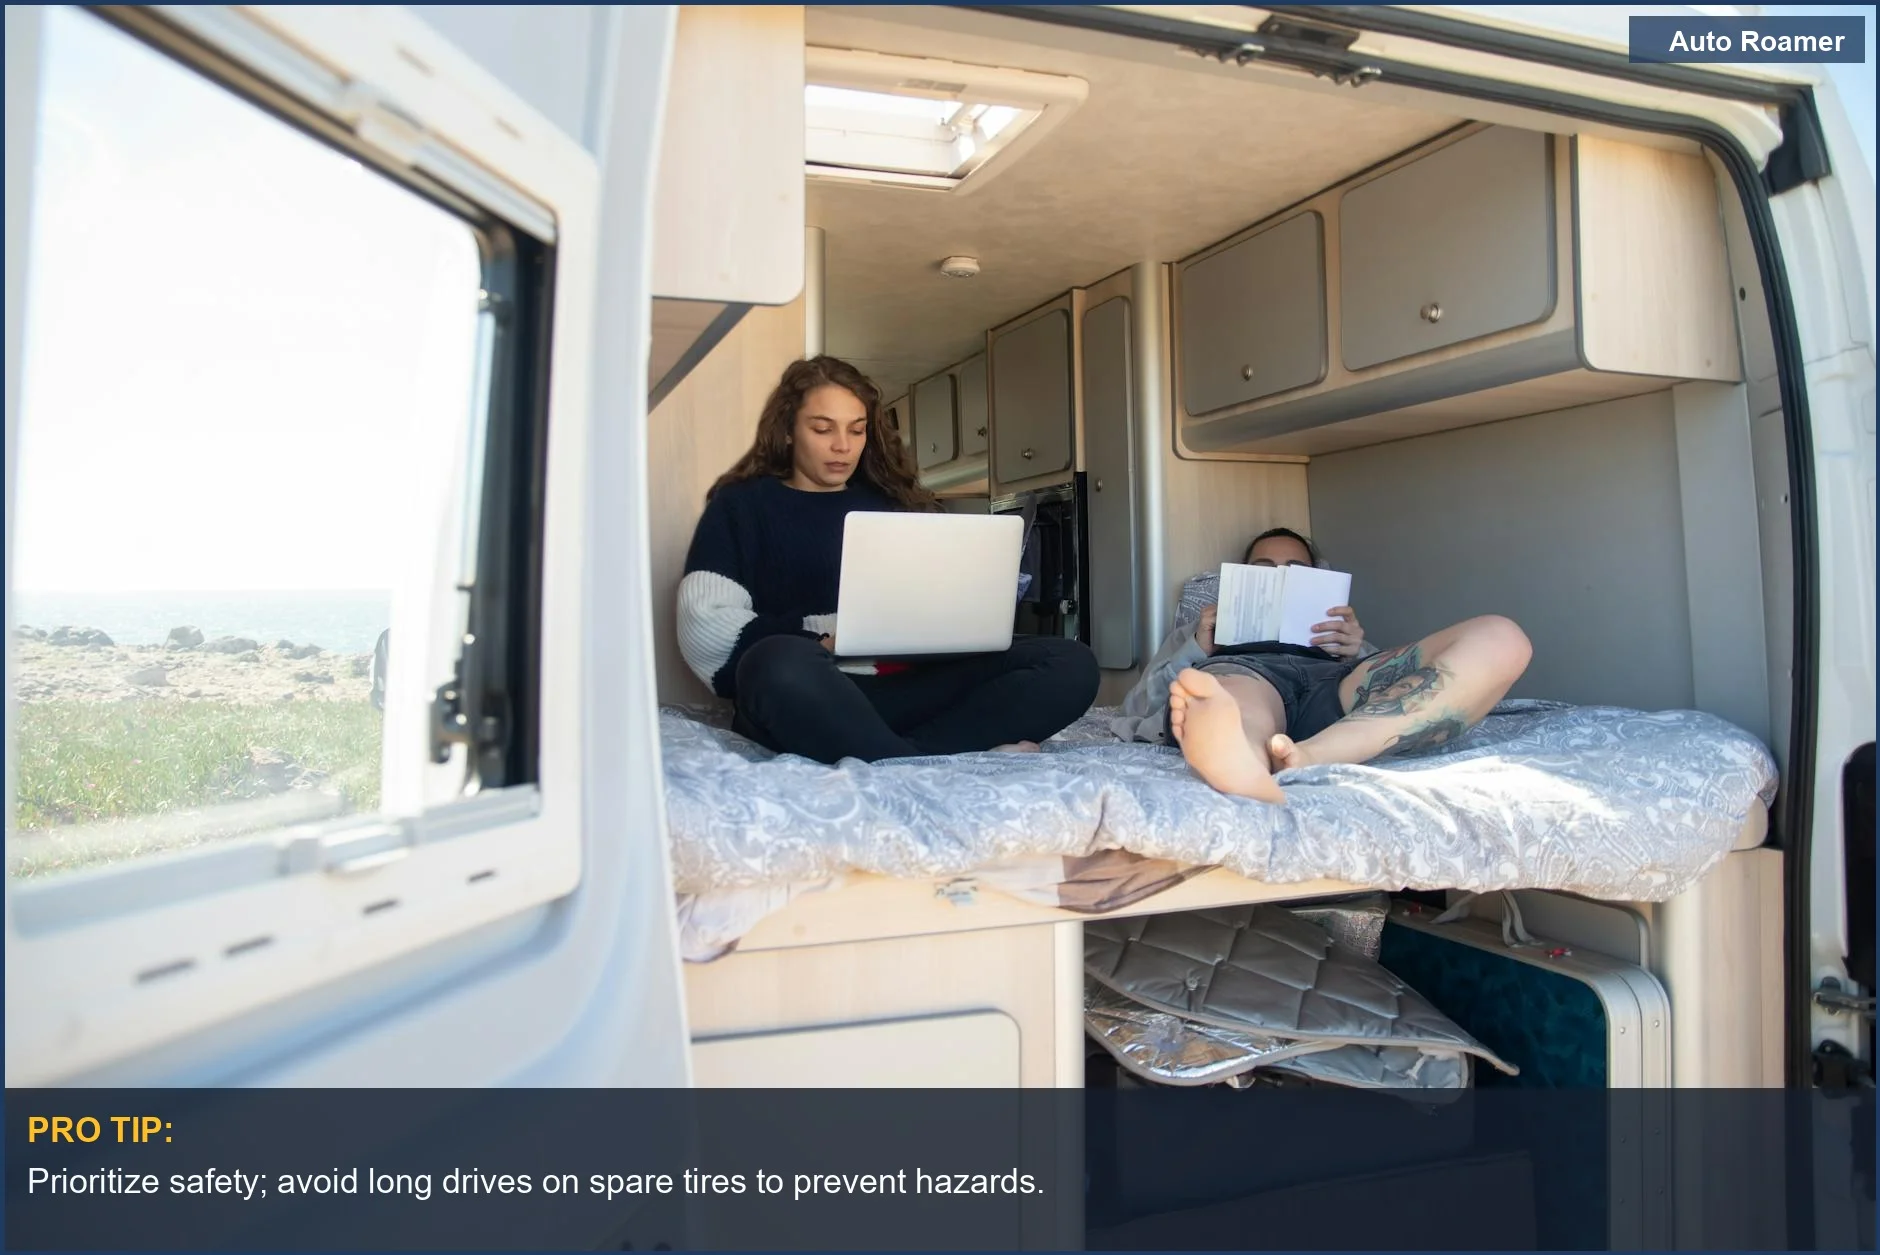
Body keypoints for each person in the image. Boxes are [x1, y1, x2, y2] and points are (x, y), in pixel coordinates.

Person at [677, 355, 1099, 763]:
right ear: (787, 430)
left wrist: (964, 618)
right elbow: (708, 626)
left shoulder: (896, 503)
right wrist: (824, 639)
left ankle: (899, 756)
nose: (842, 446)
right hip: (817, 694)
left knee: (1071, 663)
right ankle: (929, 754)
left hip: (910, 685)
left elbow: (938, 600)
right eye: (823, 429)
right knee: (776, 663)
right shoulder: (742, 506)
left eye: (857, 431)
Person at [1115, 527, 1531, 803]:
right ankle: (1240, 753)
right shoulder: (1200, 630)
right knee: (1239, 699)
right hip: (1243, 669)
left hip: (1334, 679)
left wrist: (1358, 650)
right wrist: (1196, 647)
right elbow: (1135, 708)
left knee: (1501, 637)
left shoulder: (1343, 632)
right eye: (1264, 571)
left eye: (1295, 572)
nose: (1279, 577)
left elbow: (1402, 685)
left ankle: (1308, 756)